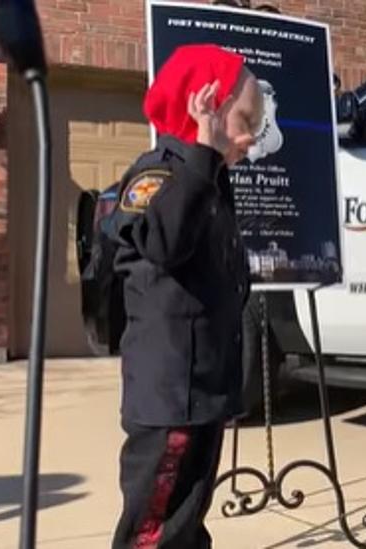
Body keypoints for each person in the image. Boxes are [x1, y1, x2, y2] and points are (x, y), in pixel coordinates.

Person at [109, 44, 263, 549]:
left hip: (203, 394)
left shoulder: (210, 183)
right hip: (170, 397)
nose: (251, 139)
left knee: (187, 520)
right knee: (154, 530)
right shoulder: (159, 175)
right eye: (245, 120)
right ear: (207, 106)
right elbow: (165, 242)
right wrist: (203, 151)